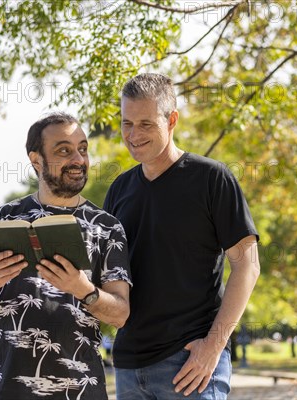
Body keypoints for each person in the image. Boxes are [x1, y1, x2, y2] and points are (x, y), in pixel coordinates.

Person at [103, 73, 261, 399]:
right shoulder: (119, 189)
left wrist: (213, 346)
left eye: (145, 124)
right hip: (129, 367)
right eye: (126, 123)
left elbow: (247, 266)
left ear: (172, 119)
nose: (133, 135)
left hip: (192, 364)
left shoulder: (212, 179)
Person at [0, 112, 132, 400]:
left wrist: (83, 289)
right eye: (64, 150)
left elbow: (121, 314)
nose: (78, 159)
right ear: (36, 160)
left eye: (82, 149)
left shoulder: (107, 227)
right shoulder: (3, 218)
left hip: (81, 391)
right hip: (2, 391)